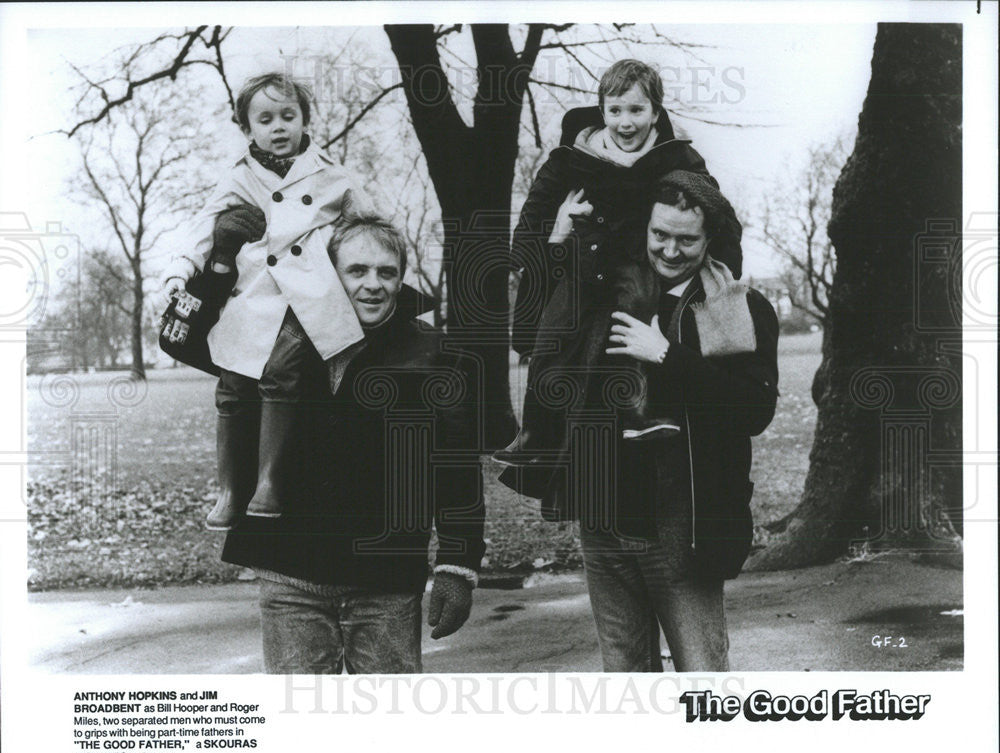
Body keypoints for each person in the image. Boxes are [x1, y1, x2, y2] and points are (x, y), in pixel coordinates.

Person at [219, 211, 486, 674]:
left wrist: (457, 565)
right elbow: (218, 379)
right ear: (330, 275)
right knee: (301, 730)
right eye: (357, 270)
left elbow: (458, 468)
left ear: (402, 280)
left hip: (385, 579)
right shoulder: (278, 340)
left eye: (387, 272)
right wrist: (222, 258)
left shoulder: (434, 356)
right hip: (291, 573)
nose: (373, 284)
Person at [561, 170, 778, 672]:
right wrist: (558, 235)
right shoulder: (608, 293)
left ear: (710, 239)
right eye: (660, 234)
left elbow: (754, 410)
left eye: (687, 239)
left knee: (702, 679)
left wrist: (667, 355)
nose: (670, 250)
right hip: (606, 521)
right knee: (625, 680)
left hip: (684, 528)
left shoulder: (740, 306)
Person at [496, 59, 742, 467]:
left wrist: (728, 264)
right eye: (615, 110)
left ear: (656, 113)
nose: (625, 122)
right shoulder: (572, 156)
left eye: (636, 110)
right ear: (601, 110)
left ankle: (636, 412)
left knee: (635, 318)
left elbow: (715, 207)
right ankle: (534, 431)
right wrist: (524, 252)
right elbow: (536, 206)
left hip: (637, 261)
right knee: (551, 335)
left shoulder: (676, 158)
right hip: (583, 259)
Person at [161, 72, 372, 526]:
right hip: (255, 296)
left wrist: (364, 270)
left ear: (304, 120)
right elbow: (203, 225)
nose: (278, 127)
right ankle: (229, 491)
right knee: (232, 385)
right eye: (265, 118)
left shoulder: (333, 175)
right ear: (246, 129)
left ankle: (269, 482)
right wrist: (179, 270)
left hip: (312, 297)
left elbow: (372, 228)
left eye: (287, 116)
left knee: (280, 372)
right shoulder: (238, 177)